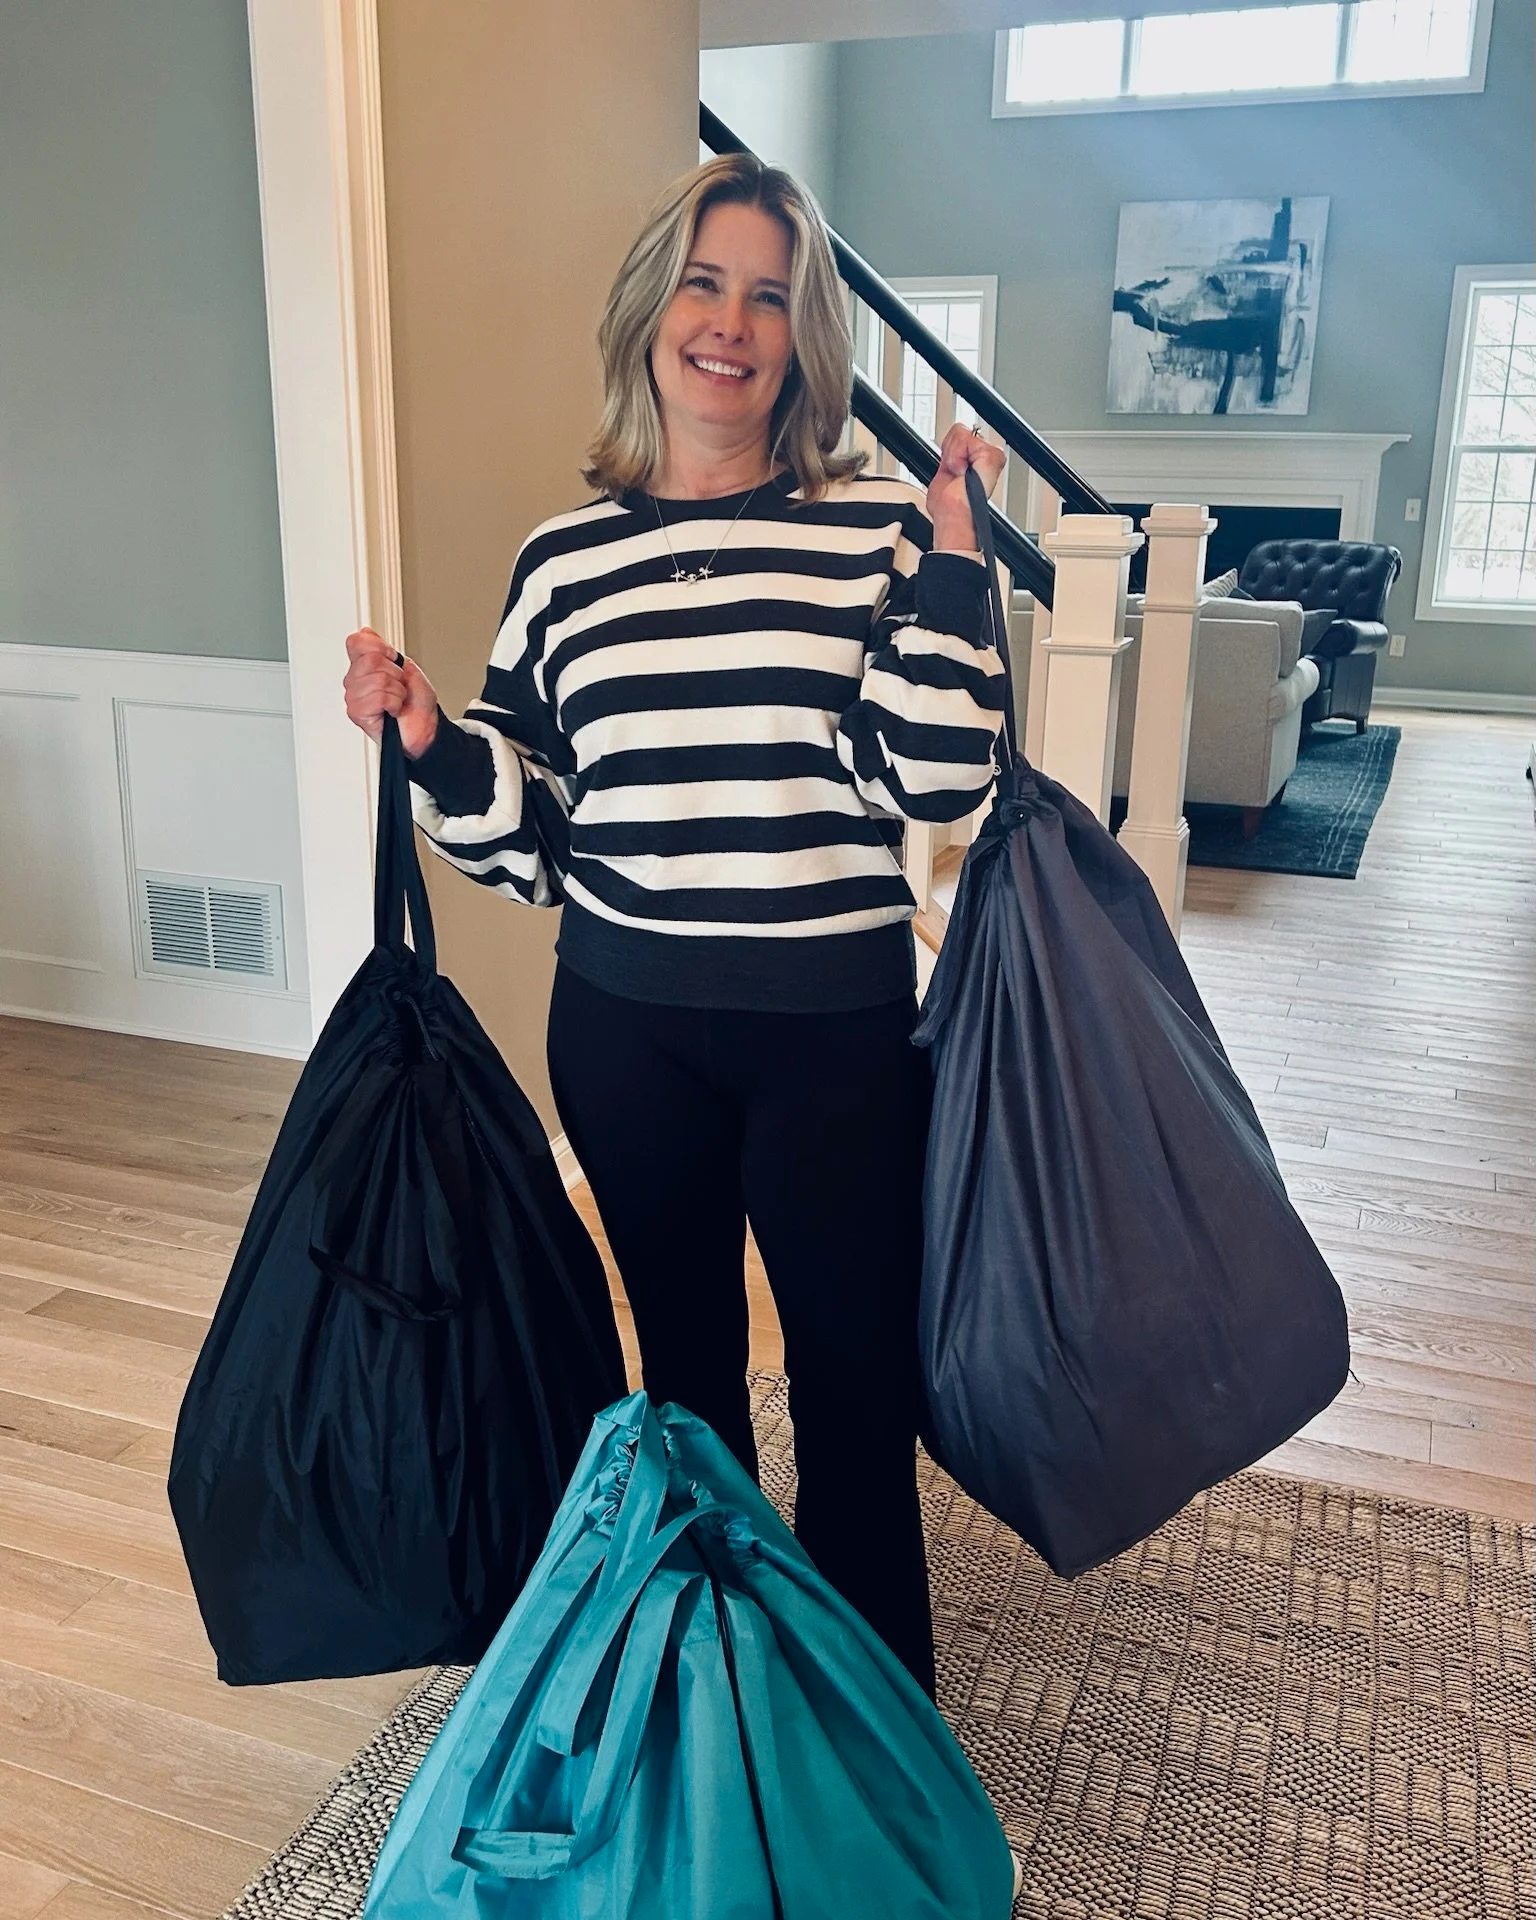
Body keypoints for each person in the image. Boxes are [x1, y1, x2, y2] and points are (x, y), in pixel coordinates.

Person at [343, 152, 1005, 1698]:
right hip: (629, 1036)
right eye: (705, 283)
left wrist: (960, 564)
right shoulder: (561, 563)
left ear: (805, 338)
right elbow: (537, 839)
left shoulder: (875, 533)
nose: (732, 322)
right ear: (653, 312)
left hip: (836, 1041)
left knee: (853, 1391)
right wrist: (439, 741)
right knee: (688, 1390)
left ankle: (870, 1719)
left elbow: (935, 773)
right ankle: (718, 1698)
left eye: (770, 296)